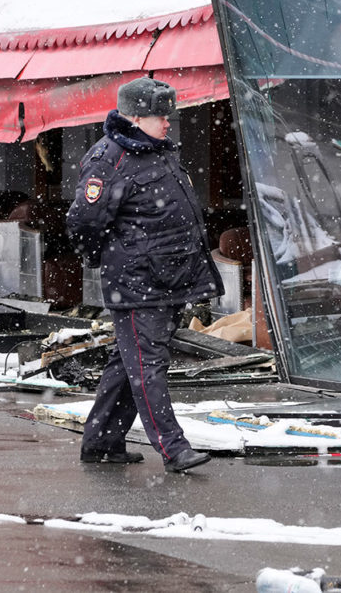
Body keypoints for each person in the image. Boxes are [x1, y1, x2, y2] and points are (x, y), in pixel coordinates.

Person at [66, 77, 223, 473]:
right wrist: (115, 259)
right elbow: (85, 221)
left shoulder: (158, 150)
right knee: (148, 366)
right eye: (159, 116)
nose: (168, 122)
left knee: (128, 362)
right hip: (138, 284)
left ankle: (101, 443)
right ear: (134, 117)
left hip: (166, 279)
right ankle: (174, 449)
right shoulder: (109, 158)